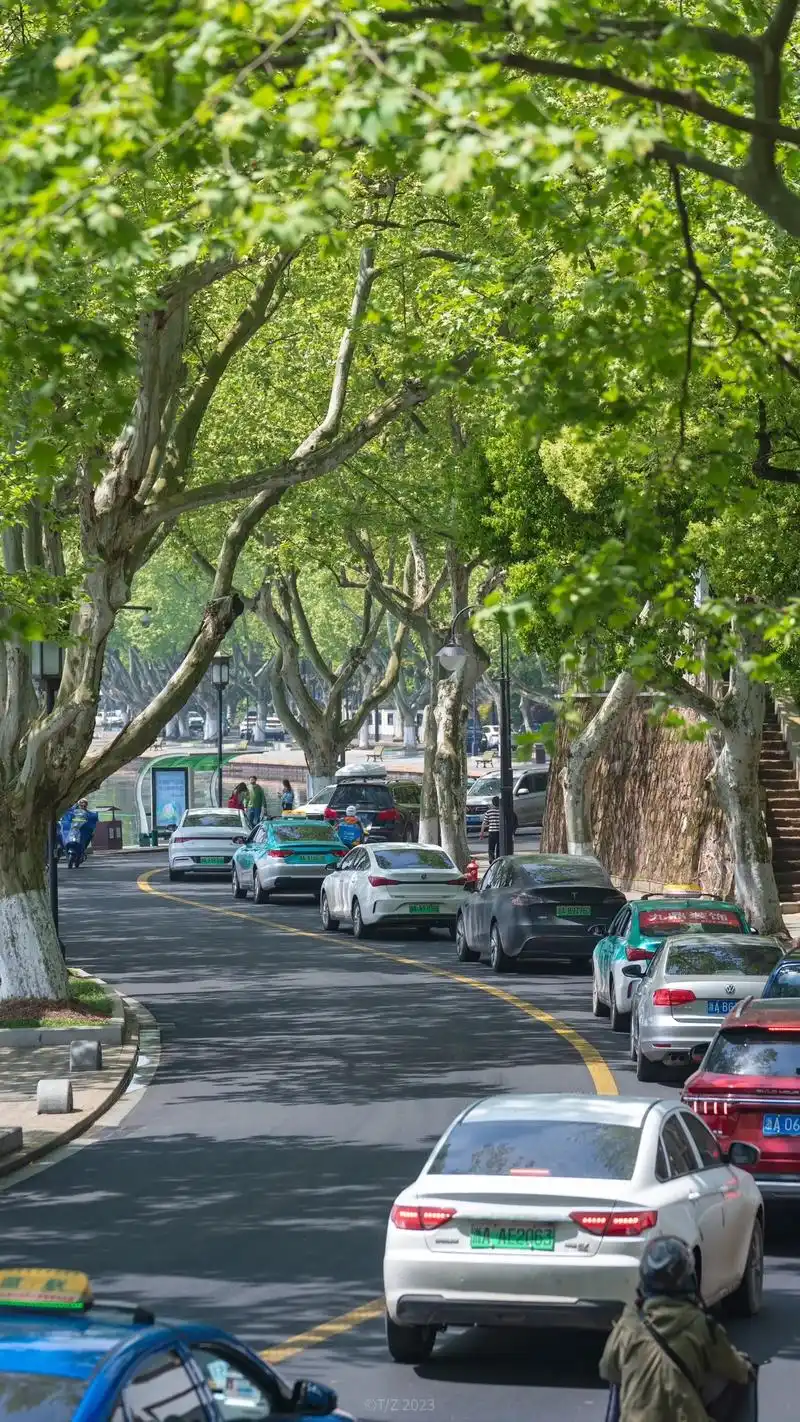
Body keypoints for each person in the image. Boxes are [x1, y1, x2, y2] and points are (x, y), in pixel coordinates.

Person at [599, 1236, 754, 1422]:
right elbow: (736, 1370)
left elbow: (608, 1370)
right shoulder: (701, 1325)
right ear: (687, 1278)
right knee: (741, 1375)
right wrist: (745, 1366)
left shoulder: (629, 1324)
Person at [480, 795, 501, 863]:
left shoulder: (489, 812)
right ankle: (498, 860)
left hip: (492, 832)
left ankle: (491, 860)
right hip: (500, 832)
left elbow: (484, 823)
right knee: (499, 847)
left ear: (492, 803)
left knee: (491, 848)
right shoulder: (501, 811)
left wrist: (482, 833)